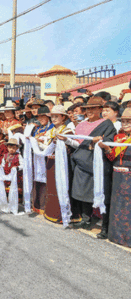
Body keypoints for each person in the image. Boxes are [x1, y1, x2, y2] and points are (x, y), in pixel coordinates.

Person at [60, 96, 116, 229]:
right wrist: (66, 140)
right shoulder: (82, 124)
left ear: (100, 110)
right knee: (81, 192)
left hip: (95, 164)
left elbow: (107, 142)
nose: (89, 111)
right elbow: (78, 144)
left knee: (97, 192)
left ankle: (102, 223)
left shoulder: (106, 124)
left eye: (93, 108)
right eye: (87, 109)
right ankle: (85, 218)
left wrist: (97, 142)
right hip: (81, 162)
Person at [100, 108, 131, 242]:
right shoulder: (119, 137)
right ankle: (117, 236)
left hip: (129, 177)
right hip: (118, 176)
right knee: (118, 205)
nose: (125, 123)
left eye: (128, 121)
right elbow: (112, 157)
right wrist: (106, 148)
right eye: (123, 121)